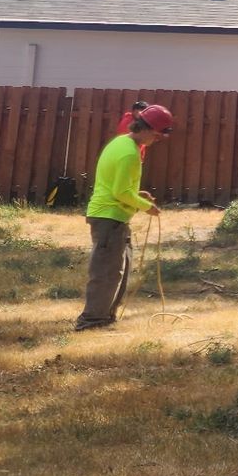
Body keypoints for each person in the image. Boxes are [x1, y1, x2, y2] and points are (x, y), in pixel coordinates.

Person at [75, 104, 174, 331]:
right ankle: (91, 321)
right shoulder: (129, 154)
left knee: (119, 269)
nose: (157, 140)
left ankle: (105, 316)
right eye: (157, 136)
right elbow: (120, 192)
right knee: (106, 272)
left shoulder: (120, 142)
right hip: (109, 217)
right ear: (146, 129)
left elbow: (117, 185)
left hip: (112, 217)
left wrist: (137, 194)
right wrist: (146, 206)